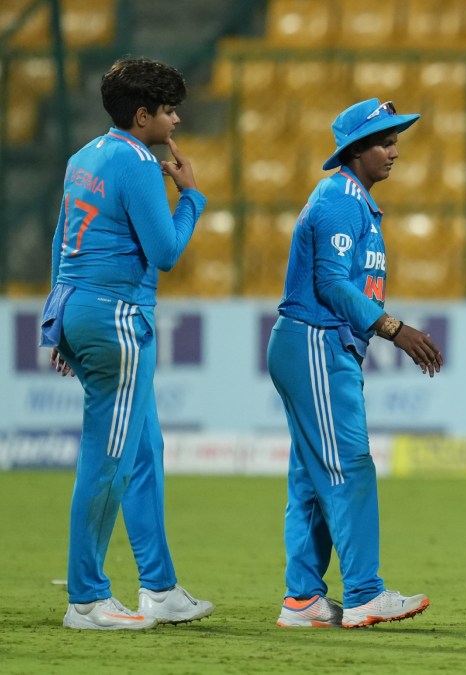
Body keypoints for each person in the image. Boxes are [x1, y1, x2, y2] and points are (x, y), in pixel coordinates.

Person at [38, 56, 214, 630]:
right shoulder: (138, 163)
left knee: (142, 451)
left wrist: (59, 320)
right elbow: (165, 253)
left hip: (78, 305)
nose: (176, 120)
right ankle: (87, 600)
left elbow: (64, 241)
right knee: (107, 462)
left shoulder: (83, 157)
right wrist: (191, 197)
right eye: (168, 110)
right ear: (143, 116)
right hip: (116, 318)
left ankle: (160, 589)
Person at [268, 98, 444, 629]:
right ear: (355, 150)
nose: (394, 151)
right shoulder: (341, 199)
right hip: (315, 342)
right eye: (384, 142)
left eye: (395, 142)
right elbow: (330, 283)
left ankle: (303, 599)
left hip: (313, 344)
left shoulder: (351, 200)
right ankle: (366, 593)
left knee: (313, 477)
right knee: (351, 466)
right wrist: (393, 328)